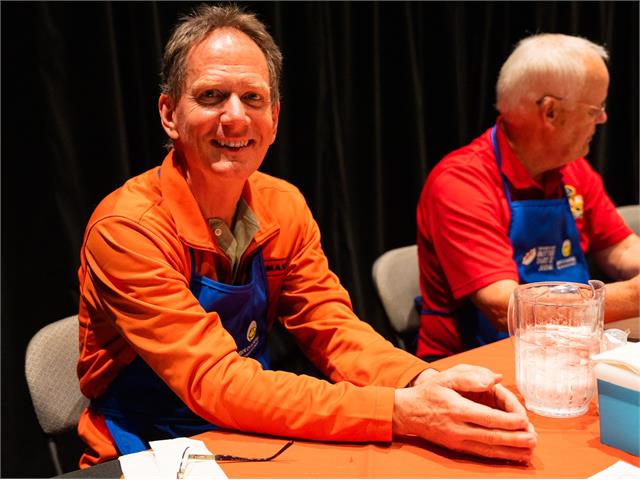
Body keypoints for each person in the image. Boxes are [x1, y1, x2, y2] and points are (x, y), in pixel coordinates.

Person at [76, 3, 536, 468]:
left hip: (249, 428)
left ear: (274, 117)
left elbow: (332, 328)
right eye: (211, 96)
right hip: (144, 446)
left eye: (253, 98)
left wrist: (421, 382)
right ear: (169, 114)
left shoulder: (284, 206)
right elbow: (215, 382)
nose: (235, 117)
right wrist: (400, 412)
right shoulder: (127, 229)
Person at [416, 33, 640, 361]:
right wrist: (633, 297)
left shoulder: (572, 169)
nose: (603, 119)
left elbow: (620, 248)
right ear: (550, 112)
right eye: (595, 109)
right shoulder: (461, 182)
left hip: (568, 348)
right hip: (476, 364)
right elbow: (505, 307)